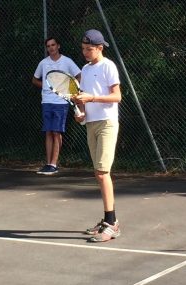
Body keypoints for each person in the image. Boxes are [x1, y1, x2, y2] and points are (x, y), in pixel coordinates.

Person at [74, 29, 122, 242]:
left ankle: (112, 224)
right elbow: (83, 100)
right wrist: (81, 112)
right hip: (91, 124)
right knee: (98, 172)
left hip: (107, 124)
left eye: (89, 49)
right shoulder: (84, 69)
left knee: (103, 172)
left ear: (100, 48)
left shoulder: (108, 66)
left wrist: (92, 97)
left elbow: (117, 96)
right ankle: (107, 220)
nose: (85, 52)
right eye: (83, 49)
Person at [32, 37, 81, 175]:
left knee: (56, 132)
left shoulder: (67, 61)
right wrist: (50, 88)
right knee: (48, 131)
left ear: (58, 46)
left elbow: (79, 76)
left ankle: (54, 164)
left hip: (61, 102)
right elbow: (35, 80)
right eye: (48, 46)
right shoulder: (43, 63)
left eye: (53, 45)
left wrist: (68, 90)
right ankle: (48, 164)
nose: (51, 48)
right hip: (46, 101)